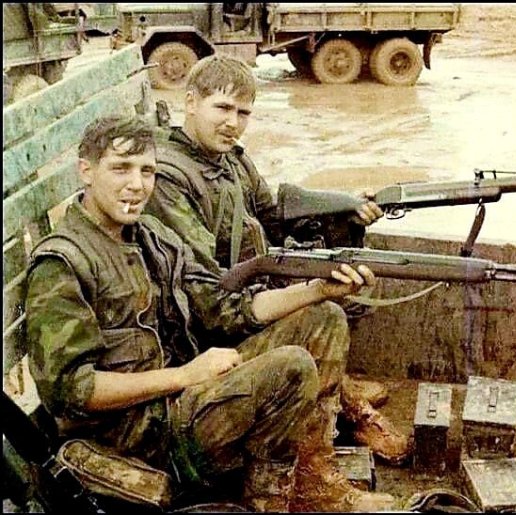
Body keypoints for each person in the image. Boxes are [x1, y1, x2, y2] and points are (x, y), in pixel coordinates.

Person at [26, 115, 396, 512]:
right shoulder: (63, 264)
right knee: (291, 366)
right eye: (121, 168)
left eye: (147, 171)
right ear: (86, 171)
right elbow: (71, 391)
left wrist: (317, 289)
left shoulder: (153, 238)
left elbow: (222, 308)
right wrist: (185, 375)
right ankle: (266, 501)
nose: (136, 184)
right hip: (135, 436)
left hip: (181, 398)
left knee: (323, 318)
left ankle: (312, 484)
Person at [144, 54, 410, 464]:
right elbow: (208, 305)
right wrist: (305, 291)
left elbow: (275, 222)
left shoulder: (231, 160)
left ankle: (337, 408)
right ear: (190, 101)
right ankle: (317, 456)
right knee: (324, 315)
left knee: (336, 299)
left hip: (244, 302)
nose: (232, 122)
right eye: (222, 108)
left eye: (243, 113)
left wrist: (343, 214)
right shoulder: (169, 179)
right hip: (205, 340)